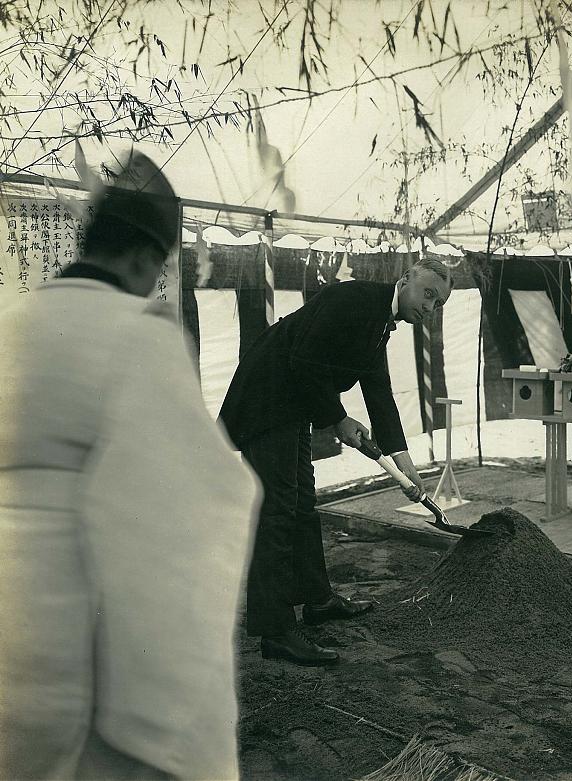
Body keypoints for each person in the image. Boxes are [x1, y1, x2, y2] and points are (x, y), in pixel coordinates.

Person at [0, 152, 261, 779]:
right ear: (146, 258)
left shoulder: (11, 322)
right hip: (65, 627)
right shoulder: (136, 333)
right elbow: (198, 498)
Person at [219, 257, 453, 666]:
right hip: (265, 401)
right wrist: (337, 419)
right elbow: (303, 361)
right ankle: (275, 632)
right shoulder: (352, 299)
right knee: (277, 511)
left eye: (439, 302)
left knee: (302, 505)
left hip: (292, 407)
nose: (430, 306)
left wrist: (403, 461)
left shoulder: (380, 322)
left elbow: (378, 392)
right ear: (404, 281)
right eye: (428, 294)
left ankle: (318, 600)